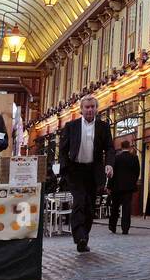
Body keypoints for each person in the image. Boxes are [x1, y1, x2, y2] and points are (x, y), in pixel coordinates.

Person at [59, 95, 112, 252]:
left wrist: (109, 164)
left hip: (93, 171)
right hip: (75, 170)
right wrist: (65, 167)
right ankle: (79, 236)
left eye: (92, 107)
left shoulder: (103, 127)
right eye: (86, 107)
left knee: (89, 205)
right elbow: (63, 150)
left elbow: (109, 148)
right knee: (80, 201)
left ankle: (84, 237)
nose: (89, 110)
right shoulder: (71, 126)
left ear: (96, 109)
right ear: (81, 110)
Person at [110, 138, 141, 235]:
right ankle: (125, 228)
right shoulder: (134, 158)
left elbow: (112, 173)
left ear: (121, 147)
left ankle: (112, 226)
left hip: (116, 186)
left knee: (115, 207)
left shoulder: (116, 158)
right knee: (127, 208)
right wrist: (133, 182)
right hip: (128, 187)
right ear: (129, 147)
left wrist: (109, 186)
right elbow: (137, 172)